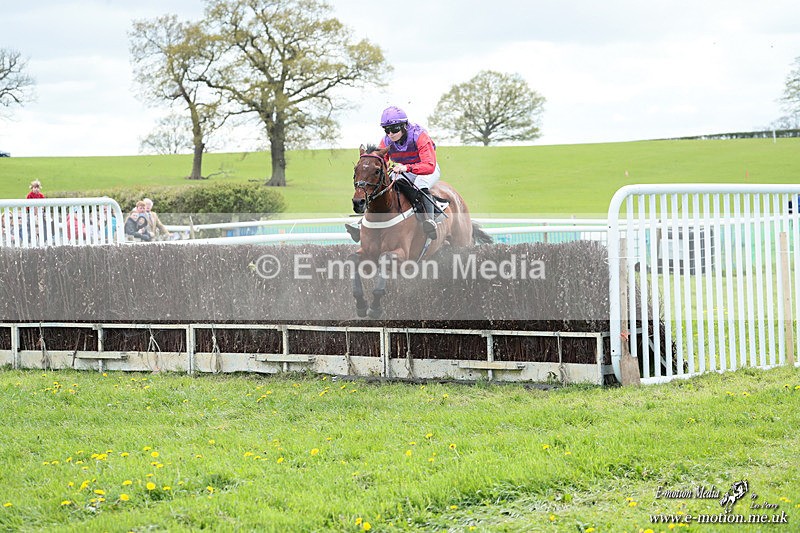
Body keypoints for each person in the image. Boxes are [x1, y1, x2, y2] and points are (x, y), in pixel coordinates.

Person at [346, 106, 441, 242]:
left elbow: (429, 165)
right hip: (402, 169)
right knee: (382, 187)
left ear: (404, 126)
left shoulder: (420, 136)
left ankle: (430, 221)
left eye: (394, 129)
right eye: (387, 130)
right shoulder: (385, 141)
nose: (390, 134)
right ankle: (362, 222)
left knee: (420, 183)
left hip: (426, 169)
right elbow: (380, 162)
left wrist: (406, 168)